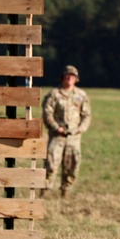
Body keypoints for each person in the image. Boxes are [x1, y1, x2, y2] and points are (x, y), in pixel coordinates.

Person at [41, 64, 92, 197]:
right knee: (50, 164)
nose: (69, 78)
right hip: (57, 136)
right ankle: (44, 192)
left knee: (72, 165)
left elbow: (86, 115)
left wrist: (80, 129)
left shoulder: (81, 95)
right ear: (63, 77)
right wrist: (56, 128)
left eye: (72, 76)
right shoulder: (54, 94)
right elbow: (47, 113)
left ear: (76, 79)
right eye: (67, 75)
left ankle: (66, 192)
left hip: (74, 137)